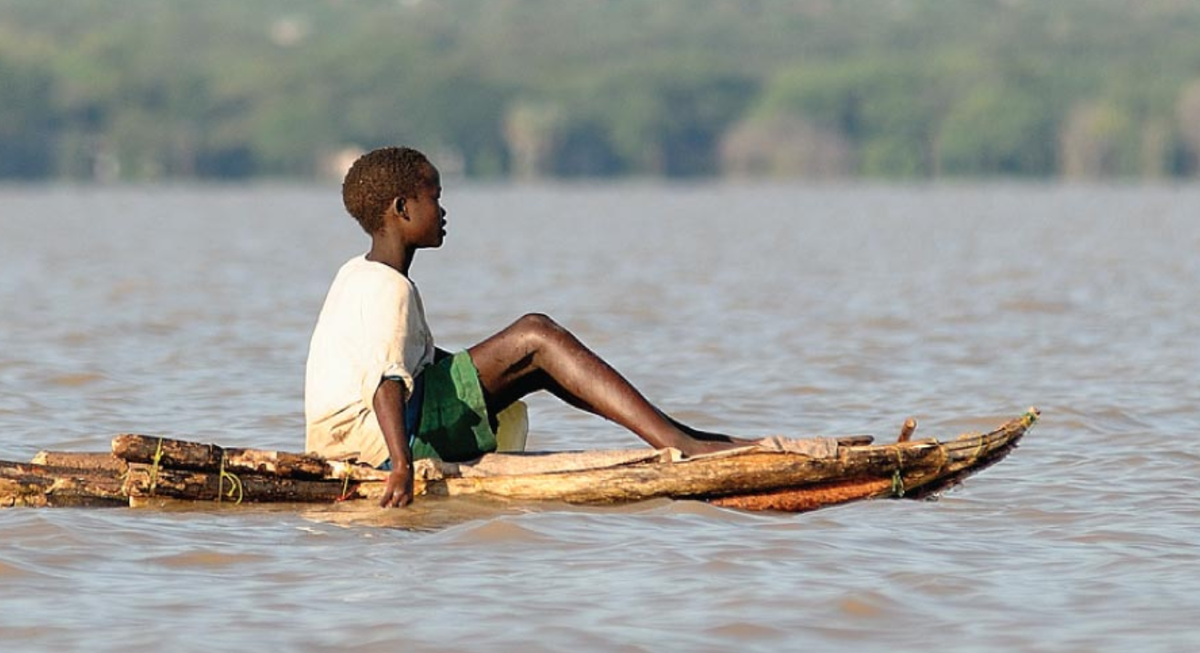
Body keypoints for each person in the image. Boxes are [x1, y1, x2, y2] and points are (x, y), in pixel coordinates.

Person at [305, 146, 753, 508]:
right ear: (402, 208)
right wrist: (402, 467)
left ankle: (679, 437)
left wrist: (501, 366)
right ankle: (680, 443)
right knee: (536, 335)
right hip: (380, 446)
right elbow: (388, 381)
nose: (443, 210)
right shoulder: (389, 288)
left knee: (532, 361)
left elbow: (410, 363)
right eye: (435, 196)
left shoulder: (357, 273)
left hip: (360, 438)